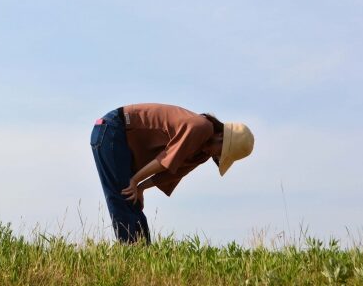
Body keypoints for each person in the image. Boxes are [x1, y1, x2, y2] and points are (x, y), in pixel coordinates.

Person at [89, 103, 254, 243]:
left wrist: (141, 187)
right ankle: (128, 256)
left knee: (132, 202)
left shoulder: (202, 153)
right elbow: (167, 158)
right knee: (122, 197)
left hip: (121, 141)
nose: (217, 157)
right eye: (221, 153)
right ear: (220, 137)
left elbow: (171, 173)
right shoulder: (201, 127)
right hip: (112, 129)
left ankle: (141, 257)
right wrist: (135, 181)